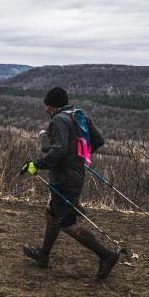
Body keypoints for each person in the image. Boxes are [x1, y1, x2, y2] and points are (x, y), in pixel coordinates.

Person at [21, 86, 120, 280]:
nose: (45, 109)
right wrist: (77, 156)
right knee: (52, 214)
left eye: (46, 105)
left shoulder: (58, 120)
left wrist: (37, 164)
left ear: (52, 105)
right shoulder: (79, 116)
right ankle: (43, 255)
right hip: (74, 174)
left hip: (64, 179)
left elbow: (57, 151)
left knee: (67, 224)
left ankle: (107, 256)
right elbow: (98, 140)